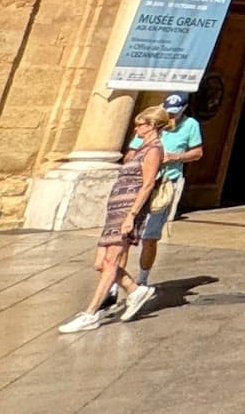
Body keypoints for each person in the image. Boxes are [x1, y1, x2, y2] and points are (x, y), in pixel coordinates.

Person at [58, 107, 169, 332]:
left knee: (111, 262)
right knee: (100, 263)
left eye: (140, 124)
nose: (136, 128)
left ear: (152, 126)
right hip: (115, 210)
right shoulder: (140, 148)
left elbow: (147, 184)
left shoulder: (154, 150)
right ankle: (136, 291)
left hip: (128, 210)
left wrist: (132, 216)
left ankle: (91, 313)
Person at [125, 90, 201, 304]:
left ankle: (142, 279)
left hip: (165, 184)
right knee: (124, 234)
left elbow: (197, 152)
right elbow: (131, 152)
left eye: (175, 112)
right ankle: (115, 282)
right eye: (168, 111)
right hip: (140, 184)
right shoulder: (152, 123)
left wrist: (175, 157)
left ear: (184, 109)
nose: (171, 116)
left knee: (150, 235)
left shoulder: (190, 125)